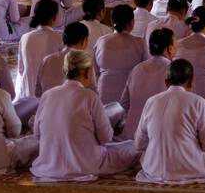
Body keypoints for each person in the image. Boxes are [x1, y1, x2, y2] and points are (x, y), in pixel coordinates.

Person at [30, 49, 138, 182]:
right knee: (133, 146)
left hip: (49, 163)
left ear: (65, 71)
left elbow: (37, 134)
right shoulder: (89, 96)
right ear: (87, 72)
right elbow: (106, 138)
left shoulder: (47, 95)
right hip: (85, 164)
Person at [136, 58, 205, 184]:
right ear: (191, 82)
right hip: (191, 167)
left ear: (166, 83)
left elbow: (139, 144)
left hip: (154, 169)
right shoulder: (197, 101)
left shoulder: (151, 101)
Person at [122, 29, 175, 141]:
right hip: (158, 135)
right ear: (170, 49)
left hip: (132, 134)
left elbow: (124, 104)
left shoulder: (137, 69)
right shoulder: (173, 70)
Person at [94, 4, 148, 108]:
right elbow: (145, 71)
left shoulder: (101, 41)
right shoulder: (139, 42)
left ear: (111, 20)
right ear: (132, 22)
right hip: (129, 94)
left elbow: (95, 72)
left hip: (104, 93)